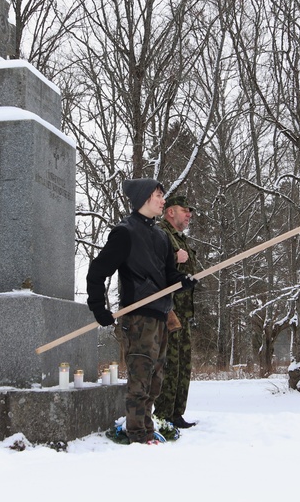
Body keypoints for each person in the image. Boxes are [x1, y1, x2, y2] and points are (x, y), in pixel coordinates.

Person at [86, 178, 195, 444]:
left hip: (161, 315)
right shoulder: (125, 232)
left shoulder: (160, 236)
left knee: (156, 379)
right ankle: (136, 434)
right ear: (144, 198)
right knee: (141, 377)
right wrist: (99, 308)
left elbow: (168, 275)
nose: (162, 200)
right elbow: (97, 272)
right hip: (138, 318)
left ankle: (147, 429)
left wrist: (182, 281)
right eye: (158, 195)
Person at [154, 194, 200, 429]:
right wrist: (173, 257)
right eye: (185, 210)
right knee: (169, 363)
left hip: (184, 313)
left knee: (183, 364)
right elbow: (149, 266)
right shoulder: (160, 234)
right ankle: (162, 414)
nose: (189, 214)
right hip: (167, 311)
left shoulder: (181, 239)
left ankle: (176, 413)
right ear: (170, 211)